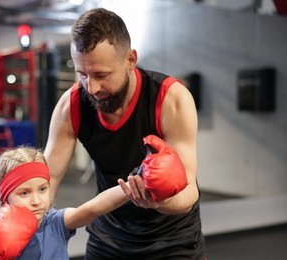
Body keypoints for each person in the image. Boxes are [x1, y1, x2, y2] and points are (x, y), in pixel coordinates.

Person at [43, 7, 206, 259]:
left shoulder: (171, 98)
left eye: (101, 75)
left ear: (130, 59)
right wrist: (22, 226)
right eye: (82, 74)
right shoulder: (72, 104)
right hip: (109, 236)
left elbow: (188, 190)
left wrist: (159, 201)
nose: (92, 87)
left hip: (172, 239)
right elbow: (47, 178)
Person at [0, 145, 130, 260]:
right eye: (25, 193)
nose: (36, 201)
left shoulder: (55, 223)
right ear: (5, 197)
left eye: (42, 189)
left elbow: (92, 209)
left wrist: (131, 188)